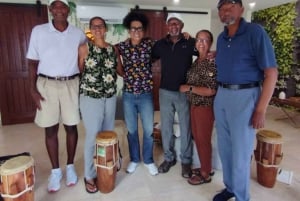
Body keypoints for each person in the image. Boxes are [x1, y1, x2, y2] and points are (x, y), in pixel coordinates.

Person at [213, 0, 278, 201]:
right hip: (222, 95)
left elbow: (271, 73)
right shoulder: (222, 38)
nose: (225, 11)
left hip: (245, 96)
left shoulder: (255, 32)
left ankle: (242, 197)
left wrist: (261, 109)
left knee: (241, 152)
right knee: (225, 148)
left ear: (241, 9)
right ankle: (231, 188)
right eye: (221, 8)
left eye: (230, 6)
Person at [26, 0, 86, 193]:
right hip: (46, 84)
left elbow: (83, 60)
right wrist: (33, 91)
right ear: (50, 9)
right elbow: (32, 64)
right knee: (50, 129)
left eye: (63, 6)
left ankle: (69, 167)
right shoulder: (39, 31)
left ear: (68, 10)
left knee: (71, 126)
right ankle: (55, 171)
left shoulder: (78, 33)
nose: (60, 10)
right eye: (56, 6)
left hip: (71, 83)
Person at [78, 16, 123, 193]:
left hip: (110, 97)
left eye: (101, 26)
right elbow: (79, 71)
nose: (97, 29)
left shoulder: (113, 50)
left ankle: (103, 167)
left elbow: (120, 70)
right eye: (94, 26)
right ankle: (89, 175)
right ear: (90, 29)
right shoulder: (84, 48)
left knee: (107, 134)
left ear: (105, 29)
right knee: (92, 135)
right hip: (91, 97)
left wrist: (137, 73)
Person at [152, 13, 195, 178]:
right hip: (165, 91)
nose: (173, 26)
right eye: (171, 23)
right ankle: (169, 158)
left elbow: (204, 53)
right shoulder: (161, 44)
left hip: (183, 92)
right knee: (167, 128)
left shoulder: (190, 42)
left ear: (182, 26)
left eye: (176, 24)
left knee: (185, 128)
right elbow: (148, 57)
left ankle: (186, 161)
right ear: (167, 27)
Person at [116, 11, 158, 176]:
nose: (136, 31)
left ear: (144, 30)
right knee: (132, 130)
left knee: (148, 130)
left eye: (140, 28)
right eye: (133, 28)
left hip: (146, 95)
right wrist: (122, 72)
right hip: (128, 96)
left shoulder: (150, 45)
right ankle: (134, 159)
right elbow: (112, 53)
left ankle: (148, 160)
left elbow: (166, 44)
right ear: (129, 29)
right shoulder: (122, 46)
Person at [179, 29, 217, 185]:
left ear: (210, 43)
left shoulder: (210, 62)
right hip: (194, 105)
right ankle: (205, 167)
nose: (201, 43)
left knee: (203, 140)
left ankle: (205, 174)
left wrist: (188, 88)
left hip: (204, 107)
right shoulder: (198, 61)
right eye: (199, 39)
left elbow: (211, 90)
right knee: (199, 139)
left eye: (205, 40)